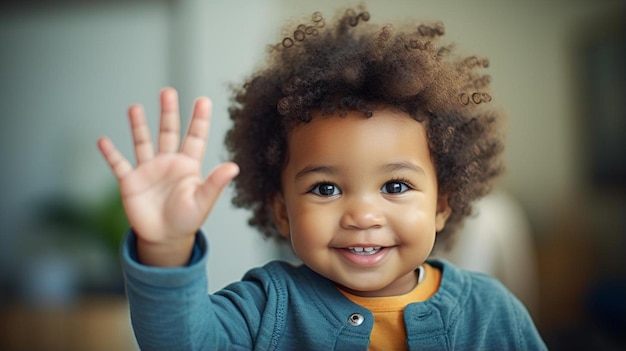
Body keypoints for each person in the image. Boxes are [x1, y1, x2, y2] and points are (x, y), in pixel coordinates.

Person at [97, 7, 547, 350]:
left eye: (395, 186)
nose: (362, 214)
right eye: (326, 188)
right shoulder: (264, 307)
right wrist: (166, 247)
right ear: (282, 211)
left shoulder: (492, 313)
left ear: (442, 205)